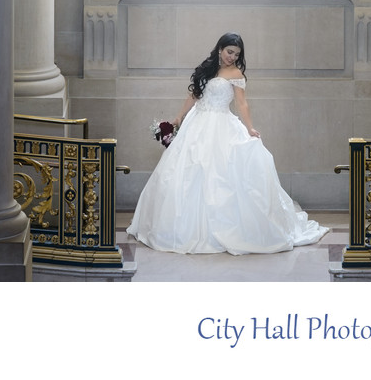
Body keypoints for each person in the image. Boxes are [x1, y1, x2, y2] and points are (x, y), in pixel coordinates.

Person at [127, 32, 329, 255]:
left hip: (220, 124)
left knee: (220, 175)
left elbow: (242, 104)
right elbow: (194, 96)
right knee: (184, 171)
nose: (232, 57)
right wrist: (177, 119)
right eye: (229, 52)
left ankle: (221, 230)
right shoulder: (207, 68)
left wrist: (250, 128)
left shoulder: (235, 73)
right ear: (220, 49)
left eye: (237, 54)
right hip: (196, 123)